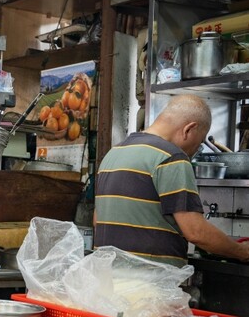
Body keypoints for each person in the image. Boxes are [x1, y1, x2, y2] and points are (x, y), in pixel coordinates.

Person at [95, 94, 249, 265]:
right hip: (149, 282)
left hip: (108, 278)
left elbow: (98, 220)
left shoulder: (113, 154)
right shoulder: (171, 157)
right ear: (188, 130)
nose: (193, 152)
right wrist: (242, 251)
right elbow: (196, 232)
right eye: (198, 144)